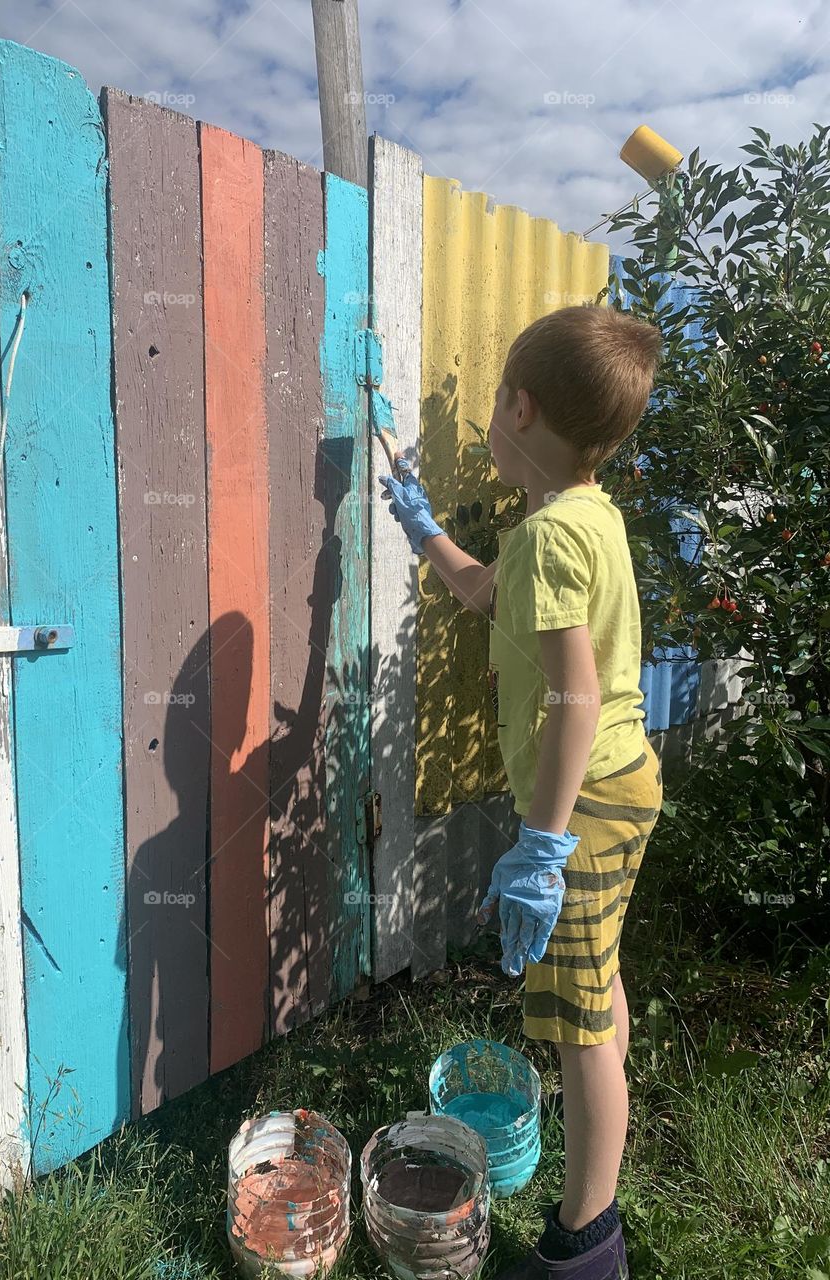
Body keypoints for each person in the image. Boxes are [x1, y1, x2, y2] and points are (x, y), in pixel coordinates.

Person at [379, 304, 665, 1280]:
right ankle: (605, 1120)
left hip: (585, 800)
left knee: (577, 1029)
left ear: (518, 406)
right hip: (626, 786)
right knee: (600, 989)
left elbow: (574, 697)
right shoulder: (580, 518)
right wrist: (421, 527)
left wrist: (541, 847)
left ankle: (585, 1238)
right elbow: (483, 592)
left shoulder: (551, 537)